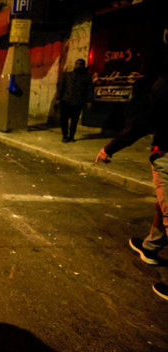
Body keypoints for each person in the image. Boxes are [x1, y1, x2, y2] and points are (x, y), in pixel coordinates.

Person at [94, 45, 167, 302]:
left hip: (167, 152)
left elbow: (143, 122)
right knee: (163, 204)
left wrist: (110, 148)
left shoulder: (163, 84)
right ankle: (151, 246)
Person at [56, 59, 92, 143]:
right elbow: (61, 87)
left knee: (74, 121)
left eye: (81, 64)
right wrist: (58, 98)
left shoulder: (86, 77)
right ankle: (65, 136)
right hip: (66, 101)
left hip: (78, 102)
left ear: (84, 66)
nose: (79, 66)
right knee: (64, 120)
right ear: (75, 65)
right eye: (77, 64)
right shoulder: (67, 75)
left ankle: (71, 136)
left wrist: (89, 101)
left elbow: (89, 90)